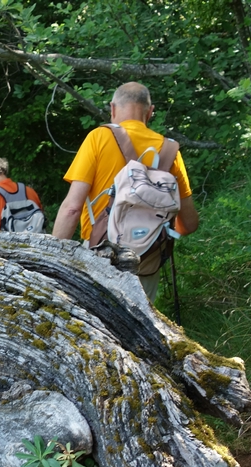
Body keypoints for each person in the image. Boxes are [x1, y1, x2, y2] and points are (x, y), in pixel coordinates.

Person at [52, 82, 199, 302]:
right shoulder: (170, 150)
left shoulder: (99, 137)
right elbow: (188, 224)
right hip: (147, 261)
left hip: (100, 255)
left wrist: (52, 263)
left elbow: (72, 209)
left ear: (112, 108)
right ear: (150, 112)